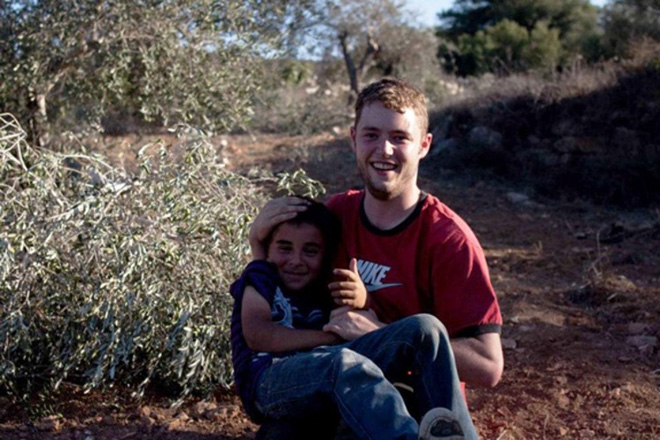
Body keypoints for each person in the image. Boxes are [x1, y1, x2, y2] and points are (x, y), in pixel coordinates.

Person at [248, 77, 504, 438]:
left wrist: (381, 333)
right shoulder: (333, 216)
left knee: (422, 331)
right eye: (371, 135)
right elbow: (277, 303)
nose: (383, 150)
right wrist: (258, 244)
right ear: (353, 138)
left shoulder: (449, 239)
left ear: (424, 146)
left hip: (412, 399)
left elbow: (488, 365)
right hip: (338, 390)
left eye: (399, 138)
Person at [231, 199, 473, 440]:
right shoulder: (261, 276)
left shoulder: (321, 283)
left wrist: (363, 300)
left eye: (310, 251)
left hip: (324, 372)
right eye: (285, 248)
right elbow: (258, 335)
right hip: (270, 382)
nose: (296, 260)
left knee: (425, 328)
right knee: (346, 363)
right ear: (268, 248)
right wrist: (330, 337)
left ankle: (456, 434)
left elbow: (350, 317)